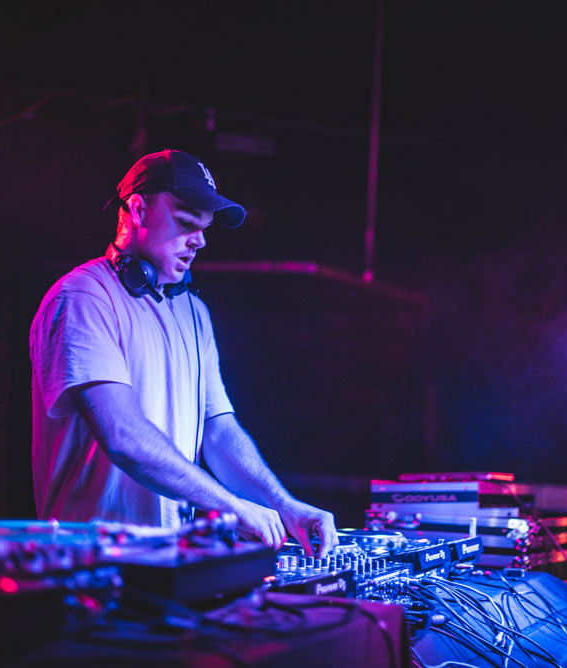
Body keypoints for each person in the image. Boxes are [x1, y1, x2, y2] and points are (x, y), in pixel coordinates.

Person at [29, 149, 337, 557]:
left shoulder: (193, 312)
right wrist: (232, 509)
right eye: (186, 223)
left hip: (172, 562)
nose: (201, 240)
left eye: (205, 227)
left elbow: (219, 430)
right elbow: (123, 436)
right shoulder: (83, 297)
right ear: (137, 209)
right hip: (90, 567)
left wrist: (284, 506)